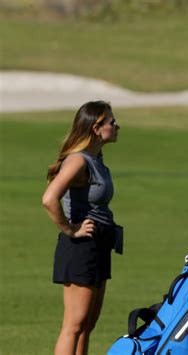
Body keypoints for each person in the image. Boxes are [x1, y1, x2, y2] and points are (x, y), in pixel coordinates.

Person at [42, 101, 122, 355]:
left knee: (87, 324)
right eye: (111, 121)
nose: (116, 125)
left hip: (99, 243)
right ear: (96, 128)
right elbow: (49, 198)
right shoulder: (78, 160)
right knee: (74, 325)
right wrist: (69, 229)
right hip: (81, 247)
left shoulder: (96, 159)